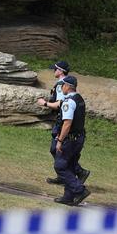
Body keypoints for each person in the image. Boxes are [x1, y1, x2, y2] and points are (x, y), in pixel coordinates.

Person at [37, 60, 90, 185]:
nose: (53, 71)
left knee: (57, 150)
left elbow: (60, 103)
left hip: (63, 122)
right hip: (65, 123)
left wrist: (45, 103)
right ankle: (65, 175)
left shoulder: (63, 84)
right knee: (55, 150)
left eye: (55, 69)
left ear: (60, 71)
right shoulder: (66, 83)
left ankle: (75, 173)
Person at [52, 75, 91, 205]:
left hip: (70, 140)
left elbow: (67, 123)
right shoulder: (79, 99)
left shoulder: (68, 102)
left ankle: (80, 190)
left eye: (62, 85)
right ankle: (68, 196)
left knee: (60, 166)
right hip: (79, 138)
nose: (61, 87)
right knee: (70, 166)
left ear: (67, 86)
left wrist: (60, 140)